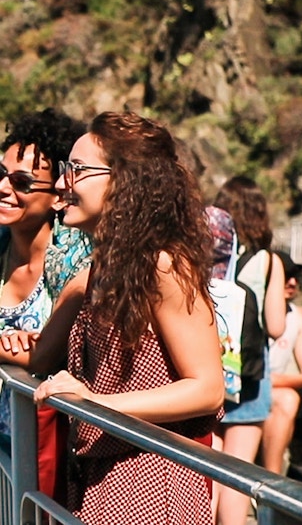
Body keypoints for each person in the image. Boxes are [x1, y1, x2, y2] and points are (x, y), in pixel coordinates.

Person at [25, 111, 223, 524]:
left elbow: (207, 389)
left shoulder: (163, 265)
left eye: (76, 170)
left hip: (151, 487)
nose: (63, 183)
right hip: (101, 479)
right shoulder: (102, 270)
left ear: (125, 180)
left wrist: (96, 404)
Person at [0, 107, 92, 498]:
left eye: (21, 182)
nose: (4, 189)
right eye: (0, 175)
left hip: (46, 455)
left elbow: (55, 354)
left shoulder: (74, 259)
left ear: (57, 195)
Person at [210, 175, 286, 525]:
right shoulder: (268, 261)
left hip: (211, 373)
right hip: (252, 379)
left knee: (209, 474)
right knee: (237, 480)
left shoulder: (207, 257)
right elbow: (276, 327)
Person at [260, 251, 302, 475]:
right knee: (287, 398)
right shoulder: (248, 307)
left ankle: (272, 477)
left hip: (269, 388)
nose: (292, 282)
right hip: (243, 388)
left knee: (289, 399)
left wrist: (271, 380)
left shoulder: (298, 317)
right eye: (286, 276)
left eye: (296, 276)